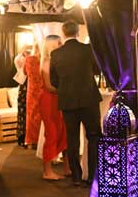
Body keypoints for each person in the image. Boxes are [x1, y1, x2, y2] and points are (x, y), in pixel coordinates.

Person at [50, 20, 102, 185]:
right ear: (78, 32)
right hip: (89, 99)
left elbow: (54, 80)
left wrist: (66, 87)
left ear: (64, 33)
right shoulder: (88, 50)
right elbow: (97, 70)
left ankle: (76, 177)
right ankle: (93, 175)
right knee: (93, 137)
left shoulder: (56, 54)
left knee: (72, 139)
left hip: (68, 101)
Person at [38, 35, 71, 181]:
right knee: (51, 133)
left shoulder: (56, 61)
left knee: (64, 132)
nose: (61, 45)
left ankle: (67, 167)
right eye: (59, 43)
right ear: (51, 45)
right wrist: (66, 89)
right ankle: (47, 171)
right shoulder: (46, 62)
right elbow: (49, 86)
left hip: (59, 99)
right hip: (49, 100)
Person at [23, 44, 43, 149]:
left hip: (32, 90)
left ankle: (31, 141)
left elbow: (24, 72)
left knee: (31, 115)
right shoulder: (44, 59)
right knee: (42, 115)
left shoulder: (28, 59)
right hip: (43, 89)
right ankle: (41, 140)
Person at [13, 44, 30, 146]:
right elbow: (19, 62)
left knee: (26, 113)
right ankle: (21, 136)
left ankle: (25, 136)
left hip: (28, 88)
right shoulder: (19, 59)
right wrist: (23, 51)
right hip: (24, 87)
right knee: (22, 113)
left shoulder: (29, 60)